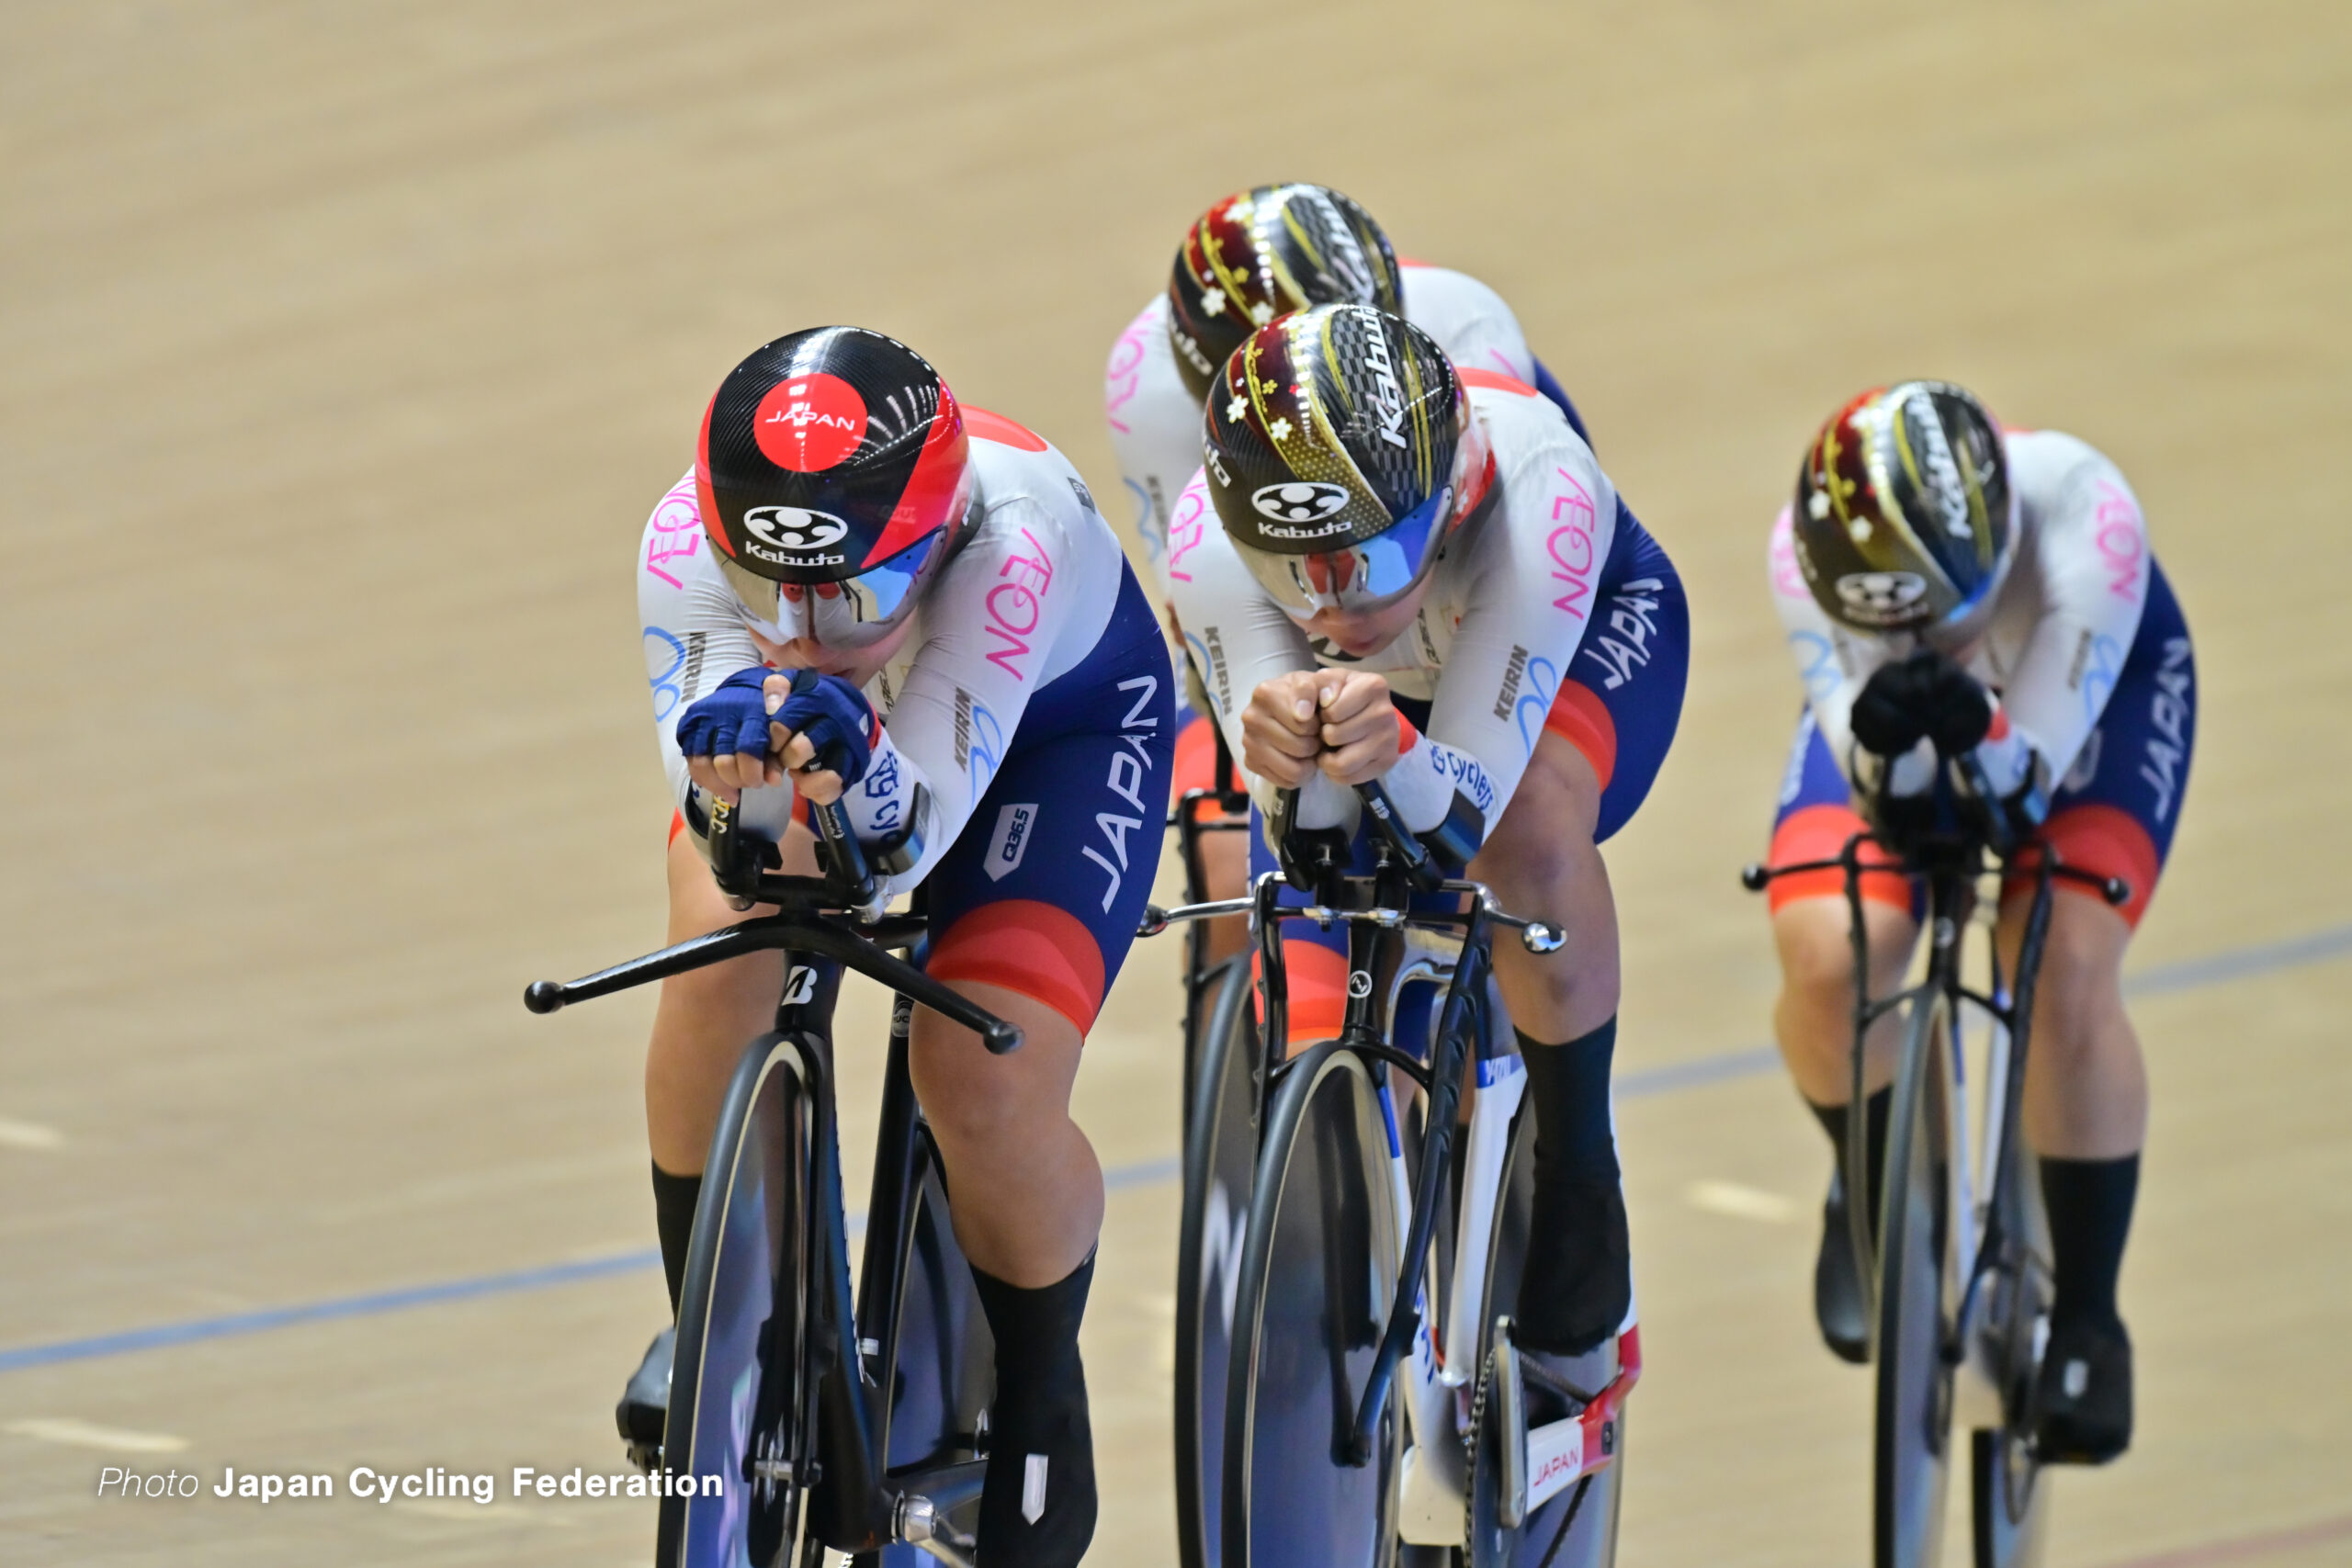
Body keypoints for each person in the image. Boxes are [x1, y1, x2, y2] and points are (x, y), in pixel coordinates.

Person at [629, 326, 1173, 1563]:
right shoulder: (683, 537)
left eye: (853, 598)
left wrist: (847, 756)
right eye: (770, 597)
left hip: (1056, 733)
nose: (806, 632)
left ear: (933, 550)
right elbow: (729, 823)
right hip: (869, 743)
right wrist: (746, 785)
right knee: (721, 940)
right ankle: (702, 1318)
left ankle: (1042, 1387)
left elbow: (904, 843)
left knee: (982, 1071)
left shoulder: (1009, 544)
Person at [1167, 302, 1688, 1391]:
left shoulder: (1536, 488)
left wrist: (1393, 749)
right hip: (1402, 699)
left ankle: (1581, 1169)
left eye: (1366, 558)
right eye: (1291, 566)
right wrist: (1280, 765)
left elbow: (1462, 817)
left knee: (1529, 827)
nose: (1329, 601)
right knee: (1307, 866)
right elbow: (1299, 837)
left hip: (1565, 645)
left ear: (1449, 496)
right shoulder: (1206, 536)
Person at [1762, 380, 2192, 1463]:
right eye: (1891, 618)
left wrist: (1983, 737)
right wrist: (1903, 741)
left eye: (1945, 615)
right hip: (1895, 706)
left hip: (2086, 685)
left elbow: (2023, 790)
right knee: (1828, 951)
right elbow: (1882, 787)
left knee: (2057, 960)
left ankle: (2089, 1314)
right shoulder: (1800, 556)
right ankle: (1869, 1177)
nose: (1924, 637)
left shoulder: (2087, 519)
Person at [1105, 183, 1594, 961]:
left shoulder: (1463, 334)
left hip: (1464, 579)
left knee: (1506, 829)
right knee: (1228, 850)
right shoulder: (1149, 380)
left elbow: (1502, 564)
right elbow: (1203, 612)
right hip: (1321, 578)